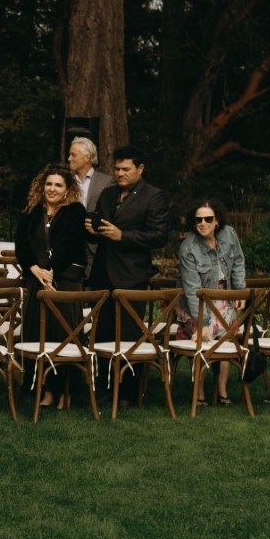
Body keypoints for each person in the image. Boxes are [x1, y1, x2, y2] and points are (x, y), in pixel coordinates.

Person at [86, 145, 170, 405]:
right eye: (117, 168)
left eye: (126, 169)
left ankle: (130, 393)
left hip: (132, 276)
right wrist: (93, 229)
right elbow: (102, 225)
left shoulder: (154, 196)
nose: (119, 173)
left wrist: (124, 236)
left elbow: (159, 236)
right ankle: (103, 389)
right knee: (102, 334)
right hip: (103, 275)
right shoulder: (108, 194)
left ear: (140, 168)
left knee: (130, 336)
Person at [14, 165, 88, 409]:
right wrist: (34, 269)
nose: (52, 189)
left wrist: (51, 271)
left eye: (58, 185)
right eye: (49, 184)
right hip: (37, 280)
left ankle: (65, 391)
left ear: (67, 190)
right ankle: (44, 390)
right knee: (40, 334)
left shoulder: (75, 212)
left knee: (64, 335)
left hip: (65, 282)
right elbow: (22, 245)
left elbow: (70, 245)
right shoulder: (32, 212)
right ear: (41, 187)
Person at [177, 198, 246, 406]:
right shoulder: (188, 248)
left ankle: (222, 390)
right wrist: (203, 323)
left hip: (223, 298)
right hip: (195, 303)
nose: (203, 223)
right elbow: (192, 291)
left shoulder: (229, 234)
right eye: (198, 220)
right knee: (203, 341)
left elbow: (239, 262)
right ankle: (199, 392)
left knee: (226, 340)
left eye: (208, 218)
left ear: (217, 220)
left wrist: (239, 291)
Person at [67, 137, 115, 279]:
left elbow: (111, 213)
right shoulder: (65, 181)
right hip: (69, 244)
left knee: (95, 289)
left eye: (73, 155)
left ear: (87, 157)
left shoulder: (106, 181)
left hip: (95, 245)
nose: (69, 158)